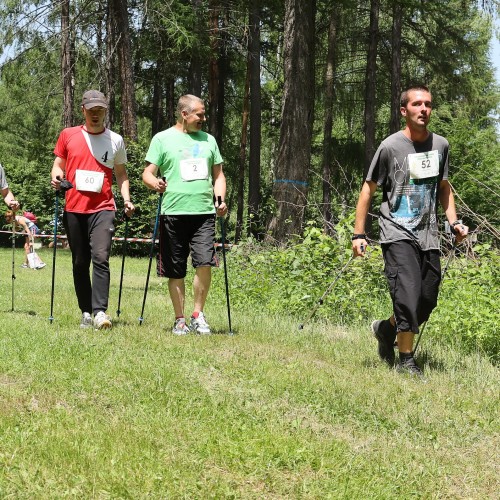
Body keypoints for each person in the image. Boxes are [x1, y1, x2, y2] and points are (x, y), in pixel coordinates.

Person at [352, 85, 468, 376]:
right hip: (396, 231)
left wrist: (454, 222)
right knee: (407, 294)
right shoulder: (390, 146)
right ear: (404, 111)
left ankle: (386, 328)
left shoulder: (440, 145)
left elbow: (444, 188)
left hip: (428, 234)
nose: (423, 109)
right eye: (417, 104)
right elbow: (368, 189)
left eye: (428, 104)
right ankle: (406, 361)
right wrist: (358, 233)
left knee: (426, 299)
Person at [142, 94, 227, 335]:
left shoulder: (209, 140)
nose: (204, 118)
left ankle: (198, 315)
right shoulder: (162, 139)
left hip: (203, 213)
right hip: (173, 212)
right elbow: (147, 173)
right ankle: (180, 319)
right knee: (175, 269)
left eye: (204, 113)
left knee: (204, 263)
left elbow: (219, 175)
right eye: (199, 114)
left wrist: (220, 201)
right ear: (184, 114)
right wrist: (155, 183)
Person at [51, 90, 135, 330]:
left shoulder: (115, 140)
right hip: (74, 207)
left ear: (105, 111)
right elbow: (58, 165)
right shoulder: (68, 135)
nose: (96, 115)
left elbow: (121, 175)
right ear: (83, 111)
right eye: (91, 111)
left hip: (103, 207)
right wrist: (57, 179)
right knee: (80, 262)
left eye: (100, 111)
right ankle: (86, 311)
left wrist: (127, 200)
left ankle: (100, 312)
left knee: (101, 257)